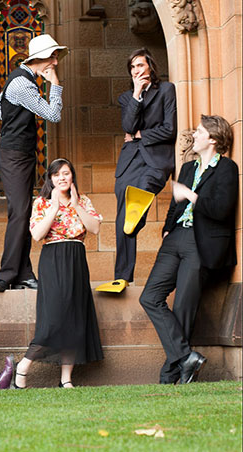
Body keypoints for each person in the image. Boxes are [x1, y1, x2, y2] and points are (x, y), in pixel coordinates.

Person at [139, 115, 238, 385]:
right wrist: (167, 230)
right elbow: (174, 205)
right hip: (175, 240)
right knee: (149, 297)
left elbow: (221, 209)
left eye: (198, 132)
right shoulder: (187, 168)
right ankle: (186, 357)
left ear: (213, 140)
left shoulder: (227, 169)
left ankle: (169, 375)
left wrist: (191, 196)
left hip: (201, 243)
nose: (193, 135)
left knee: (183, 306)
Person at [14, 159, 103, 389]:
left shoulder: (82, 200)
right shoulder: (42, 203)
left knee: (74, 318)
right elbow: (36, 235)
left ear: (72, 176)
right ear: (51, 179)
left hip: (76, 259)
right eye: (57, 175)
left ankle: (66, 379)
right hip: (53, 258)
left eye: (66, 173)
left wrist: (75, 205)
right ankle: (23, 366)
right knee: (53, 318)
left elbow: (94, 228)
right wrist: (54, 208)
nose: (62, 178)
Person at [0, 34, 68, 293]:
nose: (56, 62)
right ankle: (7, 274)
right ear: (42, 59)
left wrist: (10, 121)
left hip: (21, 154)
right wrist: (55, 84)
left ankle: (22, 272)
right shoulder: (24, 84)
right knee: (20, 213)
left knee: (23, 212)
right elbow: (54, 115)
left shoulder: (22, 79)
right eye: (54, 57)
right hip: (14, 155)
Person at [97, 48, 177, 293]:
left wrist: (139, 135)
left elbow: (169, 129)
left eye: (140, 65)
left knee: (139, 199)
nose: (136, 71)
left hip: (155, 161)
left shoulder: (166, 90)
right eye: (132, 67)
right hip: (130, 162)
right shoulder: (126, 98)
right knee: (123, 220)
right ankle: (122, 276)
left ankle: (136, 218)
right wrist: (137, 94)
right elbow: (128, 125)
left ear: (150, 67)